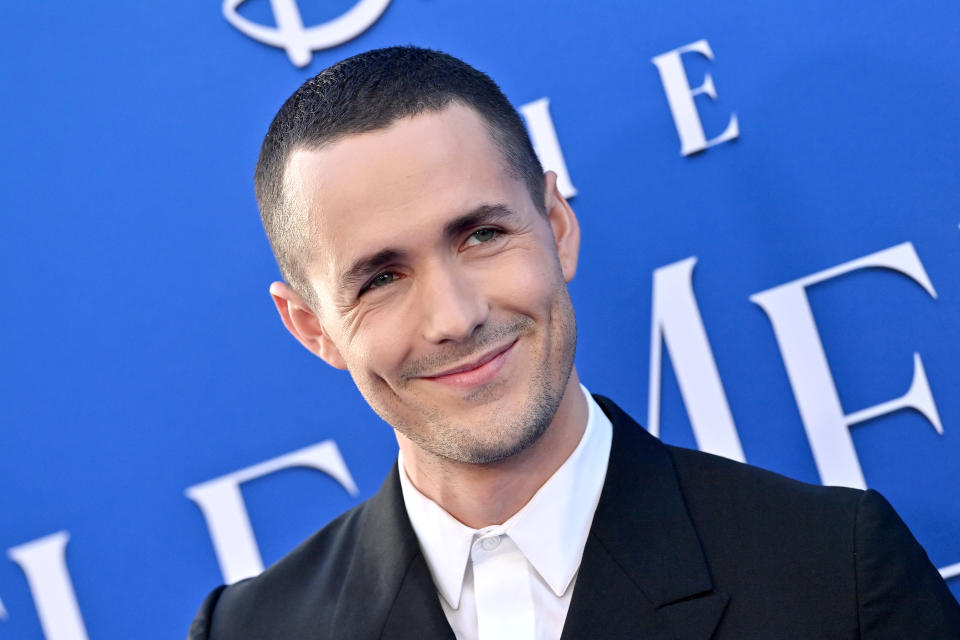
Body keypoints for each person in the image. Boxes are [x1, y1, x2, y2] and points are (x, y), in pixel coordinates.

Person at [188, 46, 960, 639]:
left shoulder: (834, 575)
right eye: (381, 279)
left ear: (556, 227)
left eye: (482, 235)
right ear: (312, 326)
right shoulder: (247, 631)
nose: (453, 316)